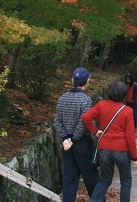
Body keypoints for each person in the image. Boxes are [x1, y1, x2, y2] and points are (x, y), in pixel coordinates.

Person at [82, 80, 137, 202]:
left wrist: (95, 131)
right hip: (122, 150)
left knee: (105, 180)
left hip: (104, 149)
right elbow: (130, 137)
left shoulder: (101, 105)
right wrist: (134, 157)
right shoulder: (127, 111)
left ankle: (94, 200)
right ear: (124, 94)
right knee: (126, 181)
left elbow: (86, 117)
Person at [54, 67, 99, 202]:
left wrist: (65, 138)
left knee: (69, 177)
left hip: (67, 144)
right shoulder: (85, 100)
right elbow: (84, 122)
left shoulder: (62, 98)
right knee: (91, 176)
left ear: (72, 80)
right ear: (87, 81)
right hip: (82, 143)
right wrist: (73, 139)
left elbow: (57, 121)